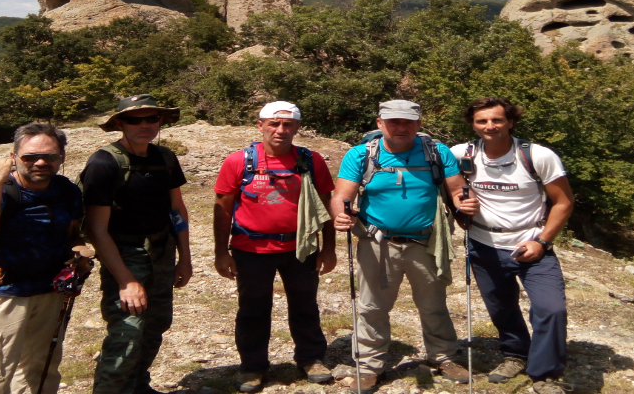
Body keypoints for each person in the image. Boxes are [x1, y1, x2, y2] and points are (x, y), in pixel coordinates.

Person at [331, 100, 479, 393]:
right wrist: (340, 214)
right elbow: (342, 195)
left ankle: (444, 356)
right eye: (393, 122)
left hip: (426, 241)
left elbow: (456, 190)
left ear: (418, 124)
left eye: (408, 122)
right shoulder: (361, 154)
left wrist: (467, 204)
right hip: (377, 242)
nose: (401, 127)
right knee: (372, 306)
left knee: (433, 303)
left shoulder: (437, 153)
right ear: (379, 123)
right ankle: (370, 366)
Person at [450, 97, 574, 394]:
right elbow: (449, 190)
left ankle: (544, 374)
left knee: (551, 308)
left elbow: (564, 201)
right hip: (483, 244)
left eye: (497, 120)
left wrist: (542, 241)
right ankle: (515, 354)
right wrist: (459, 210)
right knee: (502, 307)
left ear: (510, 121)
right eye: (482, 121)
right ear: (472, 124)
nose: (489, 126)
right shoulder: (460, 154)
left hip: (530, 243)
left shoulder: (538, 156)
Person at [213, 101, 336, 393]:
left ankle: (311, 358)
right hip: (250, 250)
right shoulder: (238, 161)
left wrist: (328, 248)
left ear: (297, 127)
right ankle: (252, 366)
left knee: (305, 304)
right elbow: (222, 206)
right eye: (273, 123)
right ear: (261, 125)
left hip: (301, 248)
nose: (281, 130)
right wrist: (221, 252)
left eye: (288, 124)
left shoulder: (311, 160)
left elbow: (327, 202)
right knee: (253, 308)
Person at [0, 122, 93, 394]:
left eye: (51, 156)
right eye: (30, 157)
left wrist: (80, 253)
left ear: (62, 157)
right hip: (0, 295)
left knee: (39, 373)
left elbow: (72, 236)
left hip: (49, 292)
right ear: (14, 158)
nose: (41, 162)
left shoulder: (66, 191)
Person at [82, 94, 192, 394]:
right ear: (119, 123)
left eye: (151, 118)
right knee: (127, 332)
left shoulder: (165, 158)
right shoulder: (104, 163)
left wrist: (185, 257)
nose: (144, 125)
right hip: (126, 254)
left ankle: (137, 386)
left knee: (156, 324)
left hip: (162, 251)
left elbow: (177, 210)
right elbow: (97, 229)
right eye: (134, 119)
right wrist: (126, 280)